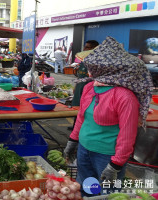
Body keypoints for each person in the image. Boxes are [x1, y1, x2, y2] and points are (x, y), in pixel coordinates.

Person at [63, 36, 153, 196]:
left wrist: (116, 164)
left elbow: (128, 134)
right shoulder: (90, 87)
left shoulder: (125, 96)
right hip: (84, 150)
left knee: (107, 194)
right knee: (87, 190)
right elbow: (82, 118)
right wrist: (73, 141)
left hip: (106, 156)